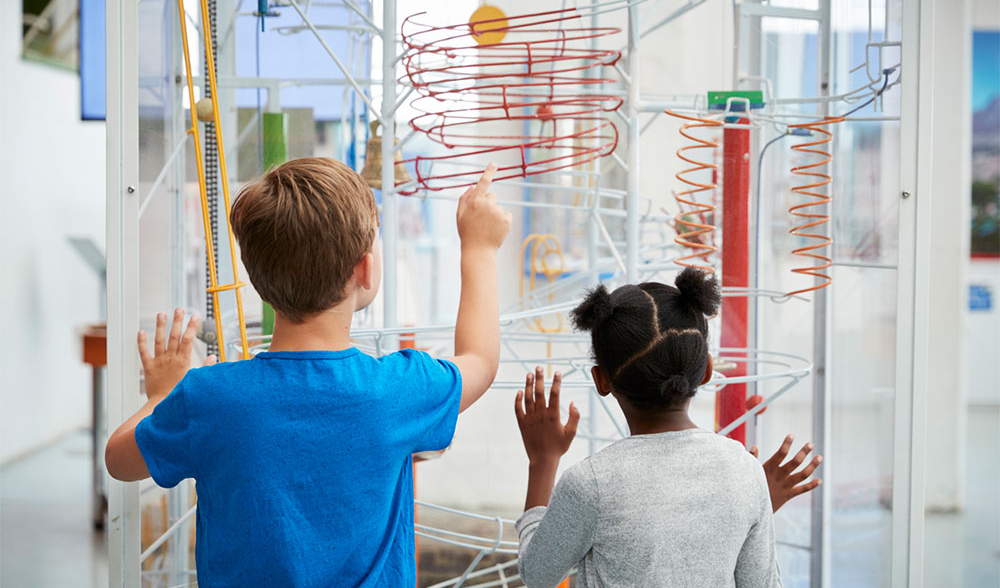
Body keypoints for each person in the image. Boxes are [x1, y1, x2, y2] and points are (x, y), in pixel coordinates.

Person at [105, 158, 511, 587]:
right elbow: (480, 360)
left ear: (257, 276)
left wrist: (160, 394)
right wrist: (480, 247)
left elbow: (119, 460)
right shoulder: (396, 391)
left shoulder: (208, 398)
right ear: (365, 269)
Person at [513, 268, 822, 588]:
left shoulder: (591, 484)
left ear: (601, 380)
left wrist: (542, 461)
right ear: (706, 371)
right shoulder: (745, 470)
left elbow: (537, 574)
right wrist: (754, 506)